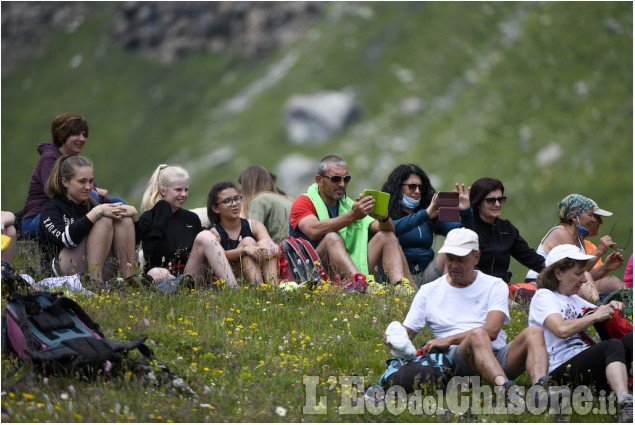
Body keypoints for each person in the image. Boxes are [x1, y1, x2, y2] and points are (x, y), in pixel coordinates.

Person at [391, 228, 549, 392]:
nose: (453, 265)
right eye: (450, 259)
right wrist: (395, 338)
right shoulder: (428, 291)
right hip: (459, 360)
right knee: (477, 335)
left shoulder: (495, 285)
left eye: (460, 260)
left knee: (535, 331)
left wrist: (447, 339)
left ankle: (541, 389)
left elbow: (492, 330)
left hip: (497, 353)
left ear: (476, 257)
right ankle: (506, 390)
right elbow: (407, 333)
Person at [528, 244, 632, 422]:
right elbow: (560, 329)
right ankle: (625, 403)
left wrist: (613, 307)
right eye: (578, 274)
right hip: (560, 372)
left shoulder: (576, 299)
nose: (584, 280)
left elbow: (602, 312)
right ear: (558, 273)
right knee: (611, 346)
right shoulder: (544, 296)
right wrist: (595, 316)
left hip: (584, 365)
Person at [288, 155, 412, 292]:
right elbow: (313, 230)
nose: (342, 184)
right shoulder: (303, 203)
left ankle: (400, 287)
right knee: (331, 238)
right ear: (319, 180)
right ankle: (361, 285)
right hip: (311, 272)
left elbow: (388, 229)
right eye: (336, 179)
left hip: (345, 265)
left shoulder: (348, 205)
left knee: (386, 236)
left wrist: (383, 217)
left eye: (346, 179)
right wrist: (352, 216)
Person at [20, 113, 125, 240]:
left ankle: (127, 249)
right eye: (76, 134)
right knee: (93, 197)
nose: (82, 139)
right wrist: (97, 192)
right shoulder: (49, 159)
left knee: (118, 204)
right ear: (62, 134)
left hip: (71, 212)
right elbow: (58, 193)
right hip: (40, 219)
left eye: (84, 134)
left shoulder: (75, 162)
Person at [38, 155, 137, 284]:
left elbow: (133, 245)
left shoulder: (90, 204)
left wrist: (134, 217)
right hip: (62, 271)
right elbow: (67, 240)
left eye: (91, 181)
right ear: (65, 182)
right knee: (103, 220)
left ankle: (128, 281)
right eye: (82, 181)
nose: (89, 187)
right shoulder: (51, 209)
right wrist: (96, 212)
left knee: (124, 220)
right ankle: (95, 283)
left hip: (98, 267)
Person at [138, 164, 238, 289]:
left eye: (186, 189)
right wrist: (162, 215)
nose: (184, 194)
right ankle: (179, 288)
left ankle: (233, 287)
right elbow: (151, 256)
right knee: (156, 272)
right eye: (178, 190)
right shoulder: (148, 218)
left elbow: (198, 251)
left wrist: (213, 236)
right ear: (163, 191)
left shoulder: (192, 218)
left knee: (205, 235)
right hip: (163, 277)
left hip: (190, 277)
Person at [380, 164, 473, 287]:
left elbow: (462, 235)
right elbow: (390, 228)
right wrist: (425, 215)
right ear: (398, 187)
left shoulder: (430, 213)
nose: (417, 191)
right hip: (397, 278)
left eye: (421, 187)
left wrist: (466, 212)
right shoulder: (386, 213)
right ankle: (405, 290)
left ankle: (448, 292)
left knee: (453, 246)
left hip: (427, 276)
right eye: (412, 187)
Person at [525, 194, 624, 302]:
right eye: (590, 215)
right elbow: (577, 269)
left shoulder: (579, 239)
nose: (593, 220)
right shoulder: (560, 232)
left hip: (561, 282)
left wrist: (606, 267)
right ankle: (598, 307)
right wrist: (599, 251)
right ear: (574, 217)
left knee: (612, 282)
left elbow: (582, 276)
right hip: (539, 282)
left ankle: (629, 304)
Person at [469, 177, 545, 284]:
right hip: (475, 287)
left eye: (500, 199)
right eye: (491, 201)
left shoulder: (507, 228)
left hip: (502, 288)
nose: (497, 204)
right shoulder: (467, 227)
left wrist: (559, 273)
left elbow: (530, 258)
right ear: (478, 203)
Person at [208, 181, 280, 285]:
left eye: (236, 199)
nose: (234, 204)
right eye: (227, 201)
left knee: (264, 242)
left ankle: (273, 290)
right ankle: (258, 290)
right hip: (233, 280)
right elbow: (218, 256)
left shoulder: (254, 225)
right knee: (248, 241)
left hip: (261, 270)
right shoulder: (214, 233)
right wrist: (244, 249)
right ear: (215, 208)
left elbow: (275, 249)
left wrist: (268, 248)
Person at [237, 165, 293, 244]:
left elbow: (250, 235)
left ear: (247, 186)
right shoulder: (287, 198)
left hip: (283, 249)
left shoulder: (259, 201)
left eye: (241, 184)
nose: (239, 190)